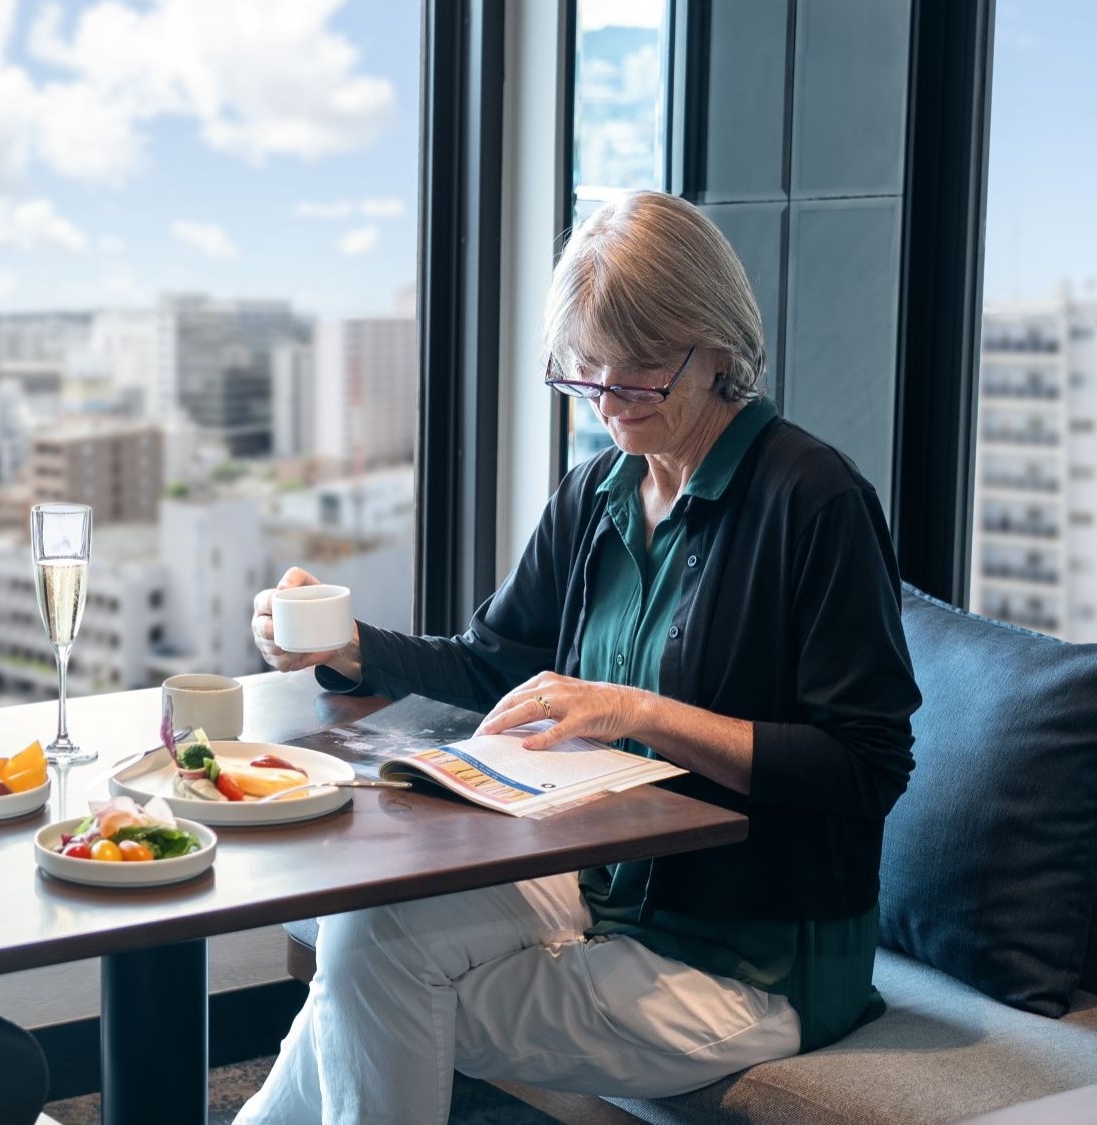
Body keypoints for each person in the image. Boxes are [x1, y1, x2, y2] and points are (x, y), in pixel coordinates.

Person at [236, 190, 920, 1124]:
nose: (607, 404)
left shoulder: (814, 503)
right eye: (585, 376)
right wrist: (350, 650)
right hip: (594, 884)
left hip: (750, 953)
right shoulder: (598, 491)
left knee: (377, 992)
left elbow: (865, 765)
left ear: (717, 349)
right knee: (366, 928)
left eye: (637, 376)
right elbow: (494, 670)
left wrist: (638, 712)